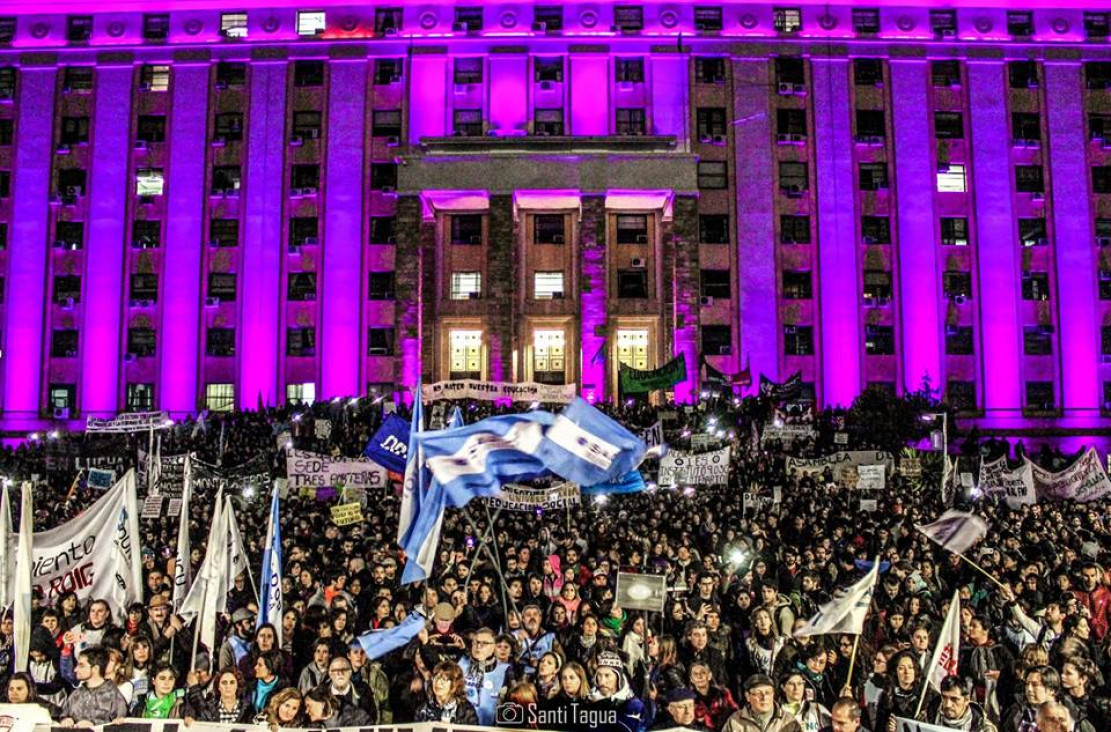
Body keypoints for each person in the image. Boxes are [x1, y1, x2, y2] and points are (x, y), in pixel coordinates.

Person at [59, 648, 129, 727]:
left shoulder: (113, 696)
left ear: (95, 669)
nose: (75, 669)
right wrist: (66, 720)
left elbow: (121, 724)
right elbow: (64, 715)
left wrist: (94, 725)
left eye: (81, 666)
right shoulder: (76, 694)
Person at [875, 650, 937, 732]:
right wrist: (887, 728)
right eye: (901, 668)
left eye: (910, 667)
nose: (907, 672)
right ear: (895, 672)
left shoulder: (927, 694)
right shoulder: (887, 695)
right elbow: (879, 727)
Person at [588, 650, 649, 732]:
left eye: (607, 675)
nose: (602, 681)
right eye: (599, 675)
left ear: (618, 678)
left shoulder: (635, 706)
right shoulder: (588, 700)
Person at [722, 673, 802, 732]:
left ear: (773, 694)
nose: (764, 698)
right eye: (758, 693)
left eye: (767, 693)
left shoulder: (788, 721)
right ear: (748, 696)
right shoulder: (735, 722)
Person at [920, 675, 998, 732]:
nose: (948, 705)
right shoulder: (924, 719)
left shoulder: (985, 728)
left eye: (954, 699)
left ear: (967, 699)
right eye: (944, 697)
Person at [415, 661, 480, 724]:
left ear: (455, 683)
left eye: (445, 679)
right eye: (436, 677)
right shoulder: (423, 708)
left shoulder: (466, 710)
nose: (438, 682)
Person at [183, 668, 254, 724]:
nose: (228, 686)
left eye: (232, 682)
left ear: (237, 685)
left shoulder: (247, 710)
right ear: (218, 687)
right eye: (224, 683)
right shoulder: (210, 709)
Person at [689, 660, 738, 732]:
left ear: (709, 676)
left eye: (703, 673)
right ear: (691, 679)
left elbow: (735, 710)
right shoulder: (688, 699)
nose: (700, 677)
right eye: (696, 674)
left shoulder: (723, 693)